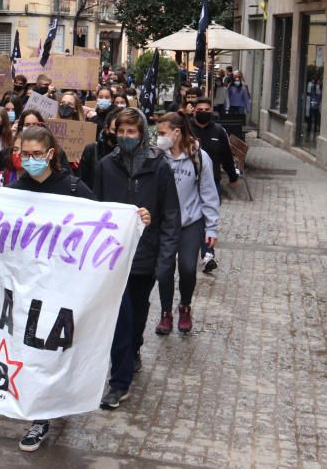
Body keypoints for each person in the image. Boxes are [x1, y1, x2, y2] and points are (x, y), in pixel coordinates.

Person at [13, 126, 150, 452]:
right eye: (24, 154)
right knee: (36, 351)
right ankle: (40, 417)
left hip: (66, 287)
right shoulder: (14, 191)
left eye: (35, 154)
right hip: (30, 288)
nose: (29, 160)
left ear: (50, 154)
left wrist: (135, 218)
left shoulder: (74, 189)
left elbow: (104, 224)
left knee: (60, 350)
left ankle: (58, 400)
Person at [95, 107, 180, 409]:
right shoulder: (106, 165)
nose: (126, 136)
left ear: (142, 133)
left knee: (138, 314)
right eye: (121, 131)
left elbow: (171, 216)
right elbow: (98, 211)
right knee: (122, 317)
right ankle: (119, 383)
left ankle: (133, 351)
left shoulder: (159, 167)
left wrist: (165, 261)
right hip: (114, 258)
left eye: (131, 131)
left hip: (146, 257)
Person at [153, 112, 220, 335]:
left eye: (162, 133)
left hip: (191, 222)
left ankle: (184, 306)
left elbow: (209, 193)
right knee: (164, 271)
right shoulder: (157, 157)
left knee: (188, 268)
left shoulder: (198, 157)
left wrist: (211, 227)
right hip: (164, 224)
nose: (158, 138)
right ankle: (165, 313)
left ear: (177, 132)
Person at [189, 97, 238, 273]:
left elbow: (226, 156)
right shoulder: (187, 131)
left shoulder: (218, 131)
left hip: (212, 184)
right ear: (194, 111)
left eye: (207, 109)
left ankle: (207, 253)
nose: (204, 112)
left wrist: (232, 176)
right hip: (191, 184)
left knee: (207, 216)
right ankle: (196, 250)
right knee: (197, 218)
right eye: (200, 109)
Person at [79, 107, 121, 189]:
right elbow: (83, 181)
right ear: (106, 128)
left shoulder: (128, 153)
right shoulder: (92, 150)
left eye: (121, 131)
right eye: (114, 130)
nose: (118, 134)